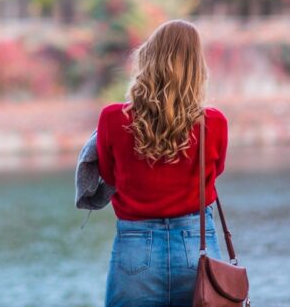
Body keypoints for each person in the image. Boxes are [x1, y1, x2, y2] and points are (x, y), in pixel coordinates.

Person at [95, 19, 229, 307]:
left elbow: (108, 175)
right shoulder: (214, 122)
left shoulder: (113, 119)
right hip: (197, 244)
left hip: (135, 245)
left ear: (148, 59)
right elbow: (214, 174)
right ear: (197, 68)